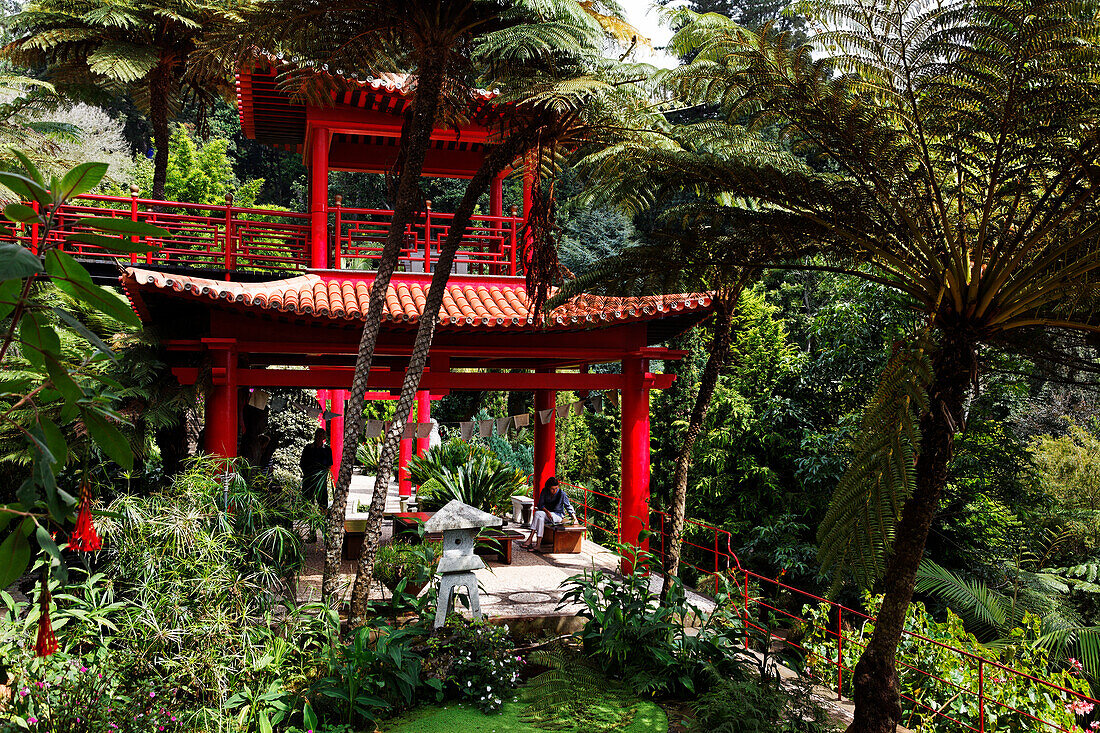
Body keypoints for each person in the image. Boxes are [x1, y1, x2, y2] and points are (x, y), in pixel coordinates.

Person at [521, 476, 576, 551]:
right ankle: (538, 545)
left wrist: (574, 518)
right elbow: (540, 504)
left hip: (557, 516)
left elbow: (568, 506)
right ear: (548, 488)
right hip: (546, 514)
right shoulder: (545, 491)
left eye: (556, 488)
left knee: (537, 514)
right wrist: (547, 511)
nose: (554, 490)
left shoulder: (562, 494)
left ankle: (530, 539)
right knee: (540, 518)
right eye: (552, 489)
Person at [300, 428, 333, 542]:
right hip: (308, 481)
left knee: (323, 506)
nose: (319, 438)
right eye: (317, 435)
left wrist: (321, 477)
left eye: (321, 436)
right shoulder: (308, 448)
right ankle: (312, 533)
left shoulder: (327, 450)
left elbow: (329, 465)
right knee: (308, 507)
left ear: (324, 438)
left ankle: (325, 534)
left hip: (321, 483)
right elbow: (302, 463)